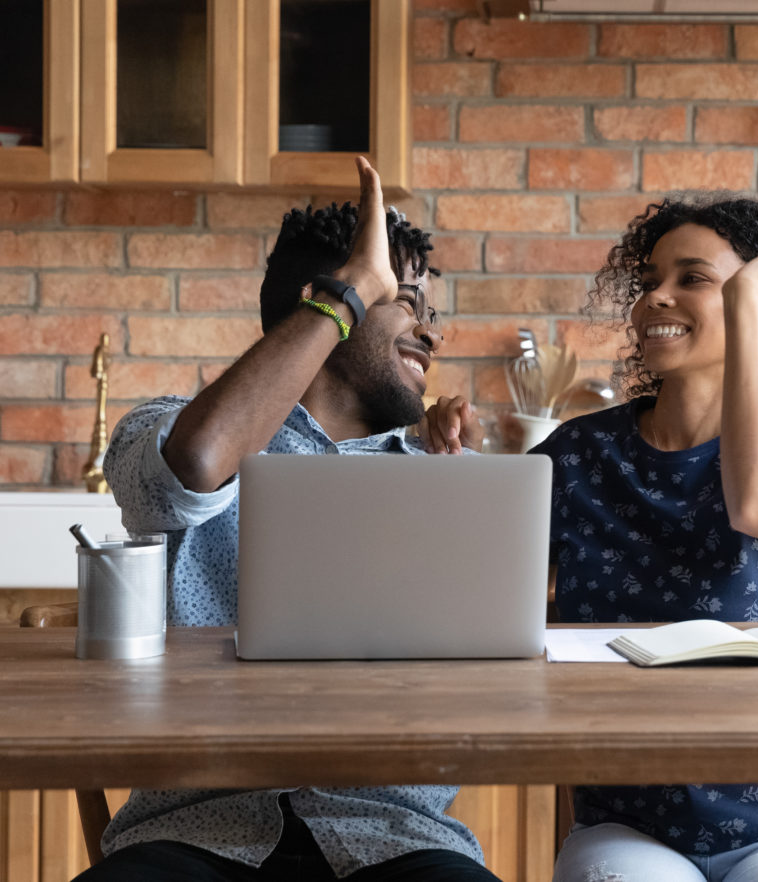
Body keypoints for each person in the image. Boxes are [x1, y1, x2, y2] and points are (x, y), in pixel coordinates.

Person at [428, 195, 758, 882]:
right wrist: (450, 476)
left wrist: (747, 296)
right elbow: (472, 604)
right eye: (648, 282)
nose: (654, 298)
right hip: (627, 820)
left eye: (691, 278)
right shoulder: (576, 454)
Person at [82, 158, 493, 882]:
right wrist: (353, 295)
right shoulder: (168, 428)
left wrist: (461, 488)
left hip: (395, 837)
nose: (431, 332)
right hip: (198, 831)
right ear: (326, 301)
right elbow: (198, 465)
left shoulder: (443, 469)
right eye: (407, 302)